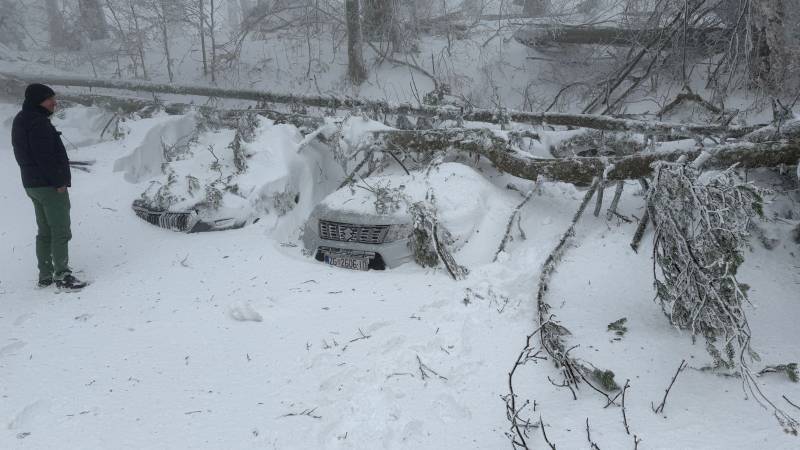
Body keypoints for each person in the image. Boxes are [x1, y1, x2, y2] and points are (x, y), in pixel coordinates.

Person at [11, 83, 87, 291]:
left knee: (45, 230)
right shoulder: (38, 123)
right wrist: (59, 182)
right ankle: (62, 275)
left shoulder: (22, 119)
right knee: (60, 229)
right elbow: (44, 157)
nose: (54, 102)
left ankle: (45, 275)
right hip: (48, 186)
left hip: (32, 184)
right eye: (49, 99)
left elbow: (24, 154)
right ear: (38, 101)